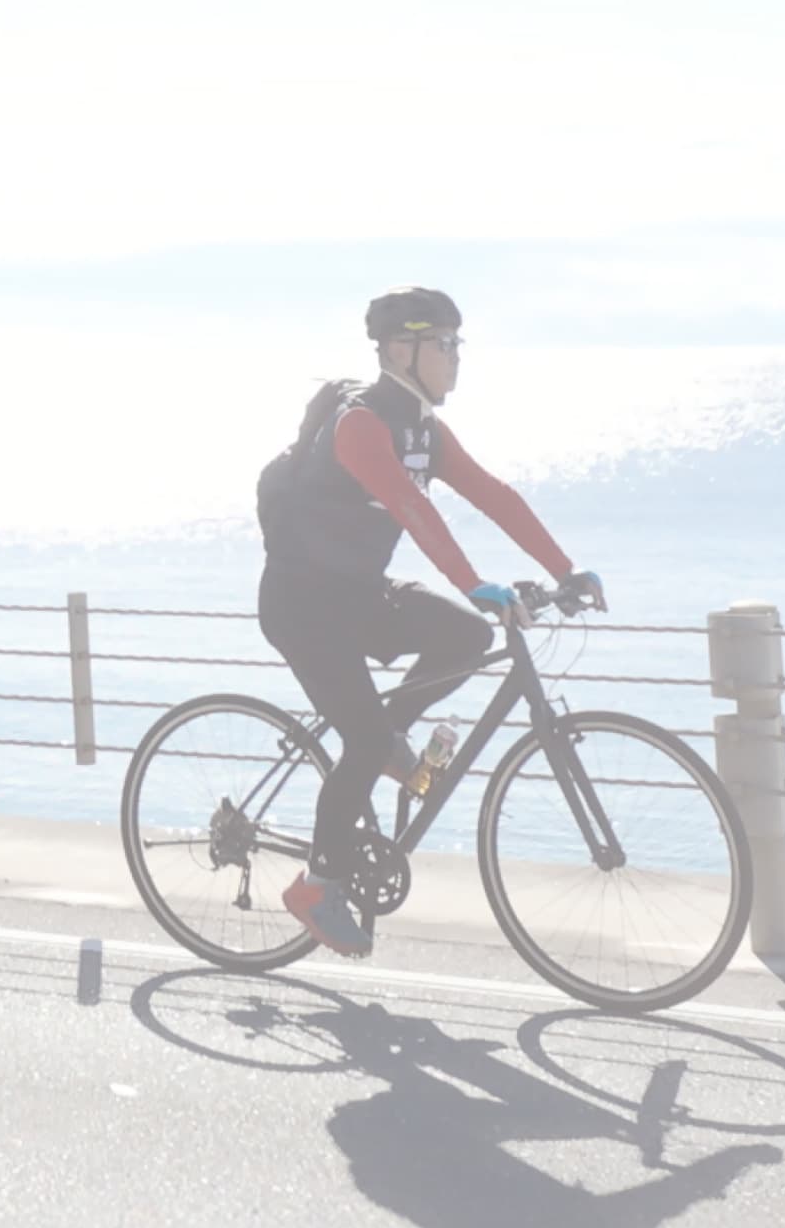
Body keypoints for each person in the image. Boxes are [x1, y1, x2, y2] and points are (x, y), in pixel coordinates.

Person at [254, 289, 602, 958]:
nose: (455, 358)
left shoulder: (423, 429)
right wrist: (474, 582)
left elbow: (491, 493)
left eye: (457, 344)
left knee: (466, 637)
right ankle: (316, 885)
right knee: (361, 738)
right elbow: (412, 508)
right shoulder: (361, 424)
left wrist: (566, 570)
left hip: (356, 593)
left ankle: (391, 744)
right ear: (398, 349)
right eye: (442, 343)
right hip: (302, 607)